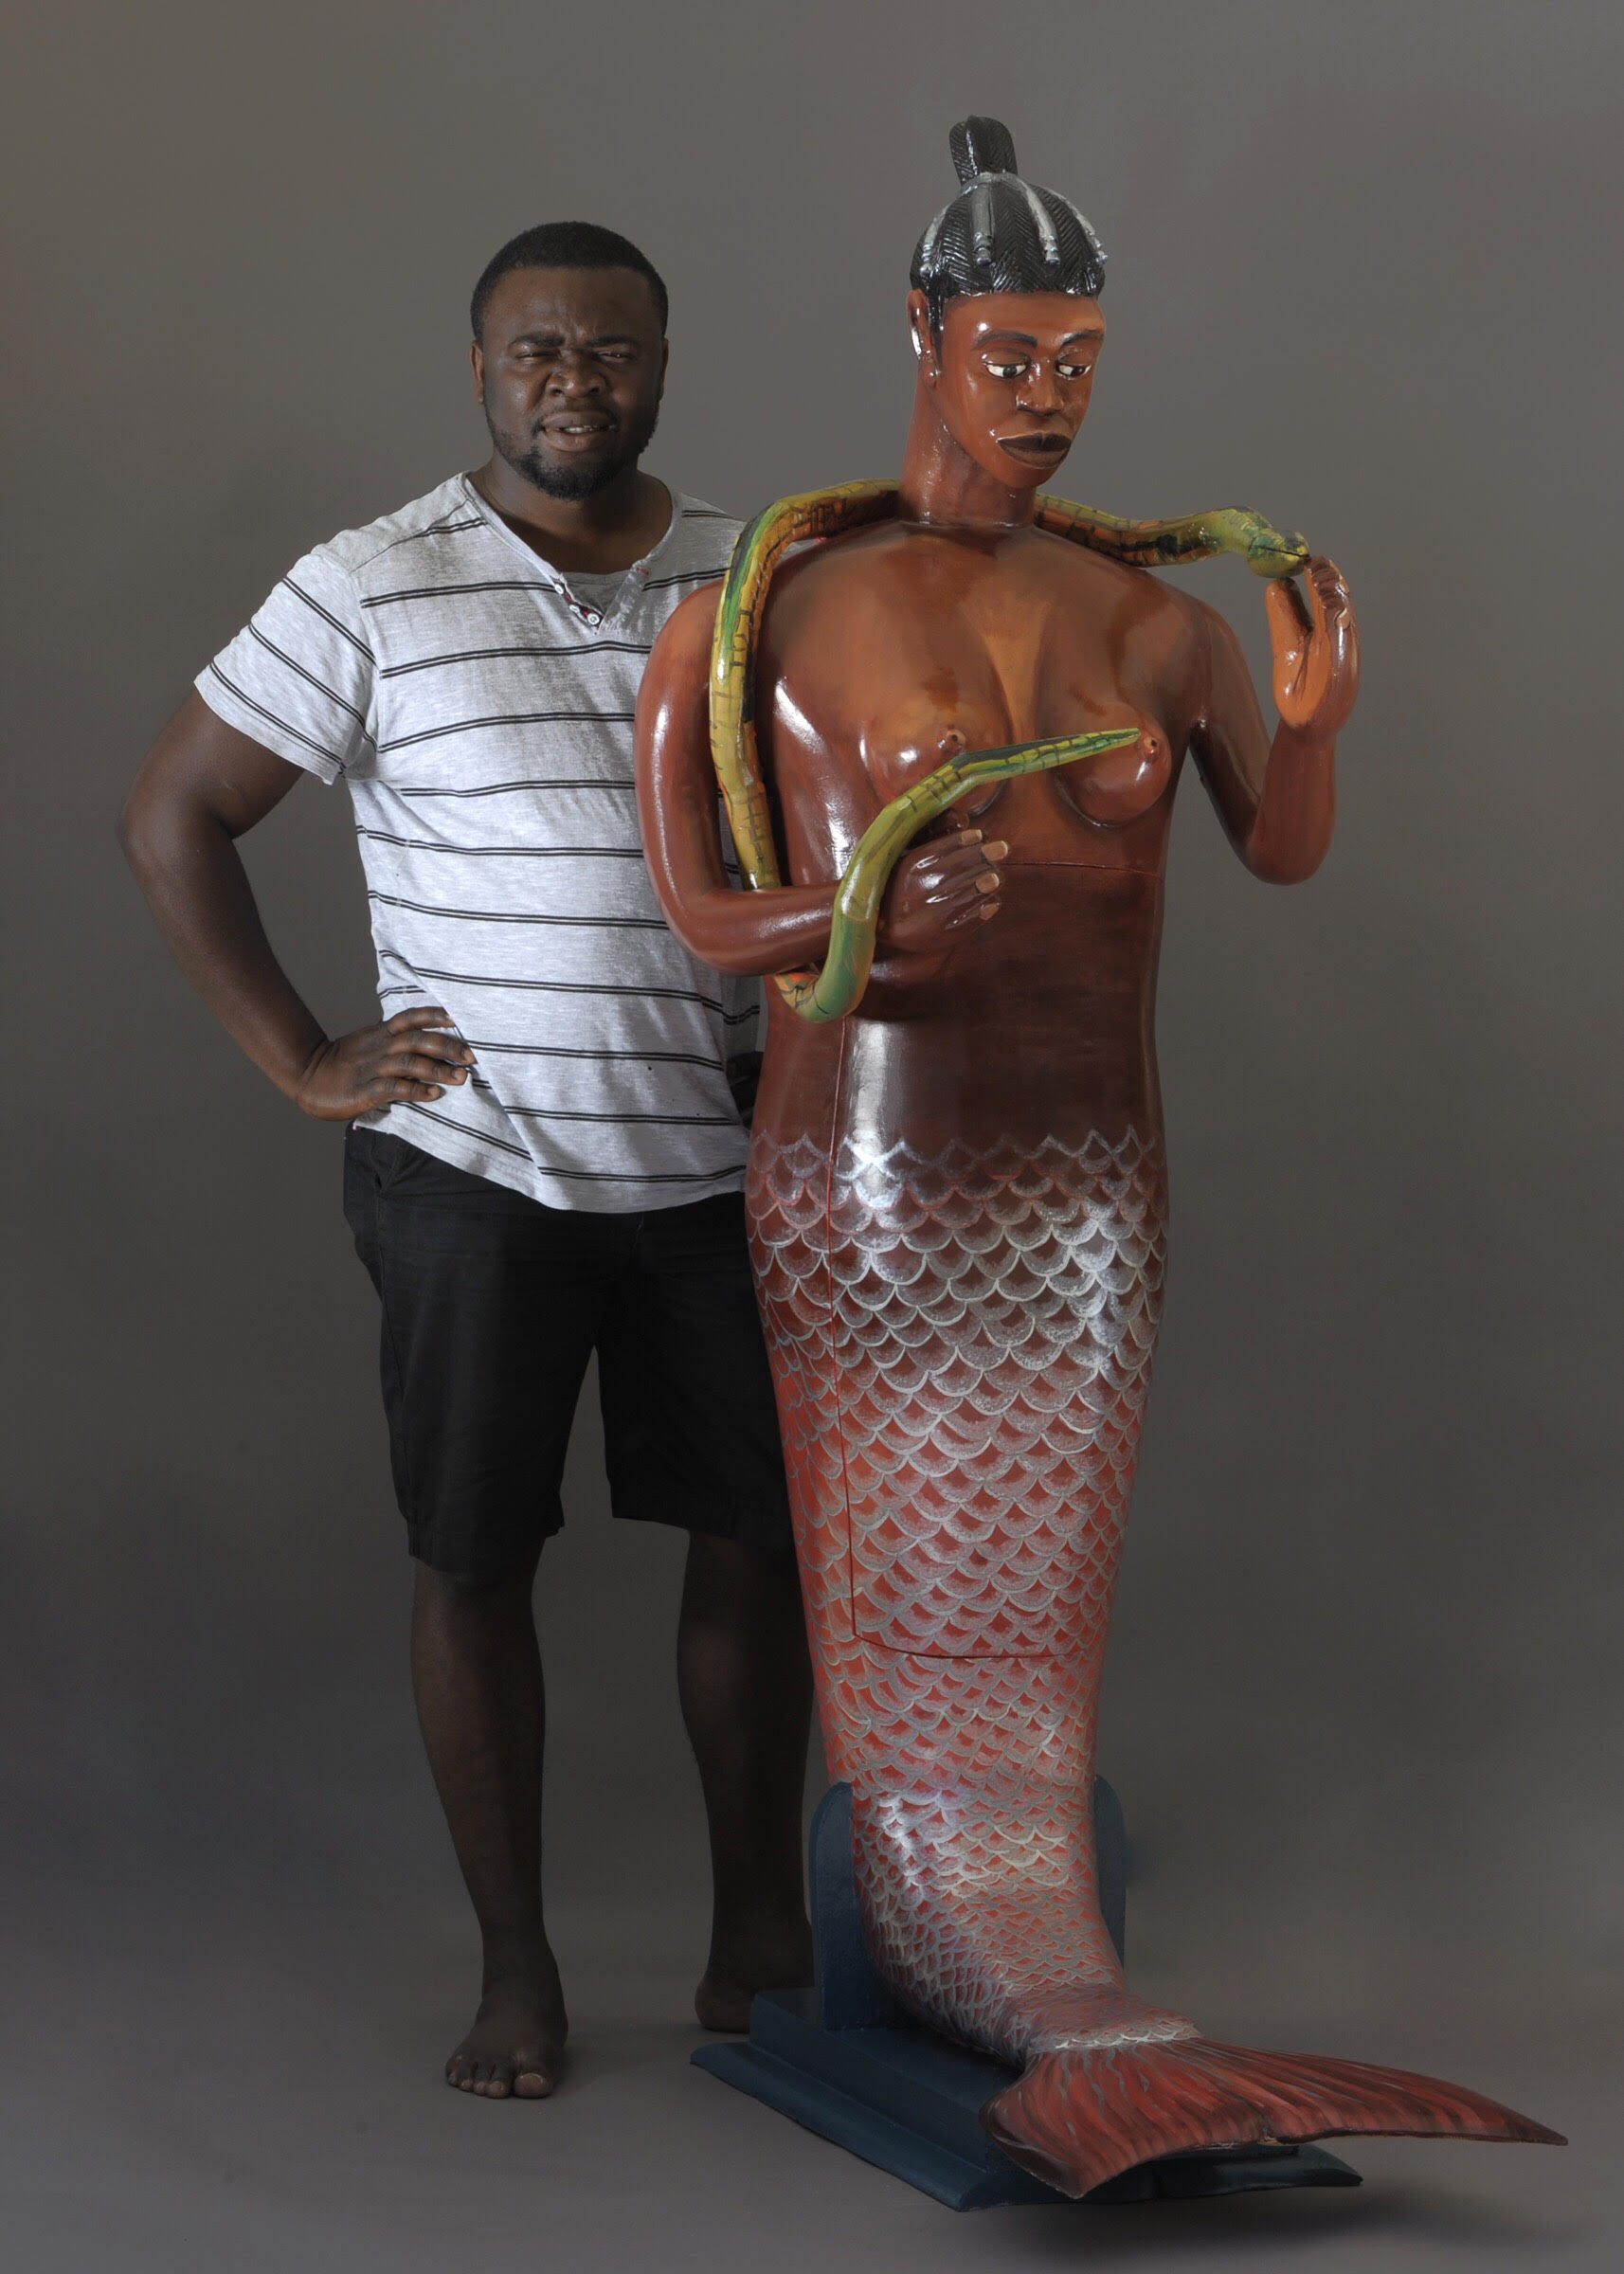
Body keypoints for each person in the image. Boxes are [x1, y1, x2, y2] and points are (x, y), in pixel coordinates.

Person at [636, 119, 1555, 2193]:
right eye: (1008, 351)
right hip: (867, 1185)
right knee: (907, 1603)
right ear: (922, 332)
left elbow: (1279, 848)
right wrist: (855, 919)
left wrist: (1306, 722)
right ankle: (989, 1962)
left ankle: (1059, 1988)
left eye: (1075, 356)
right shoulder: (766, 609)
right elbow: (704, 917)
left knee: (1033, 1617)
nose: (1044, 393)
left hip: (1081, 1197)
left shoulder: (1149, 622)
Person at [118, 221, 814, 2103]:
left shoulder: (757, 572)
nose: (568, 381)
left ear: (660, 363)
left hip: (719, 1165)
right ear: (479, 370)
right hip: (470, 1173)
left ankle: (759, 1930)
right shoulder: (370, 581)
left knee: (757, 1547)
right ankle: (518, 1968)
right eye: (532, 352)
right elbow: (177, 811)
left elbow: (839, 829)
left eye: (605, 351)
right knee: (471, 1557)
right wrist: (298, 1053)